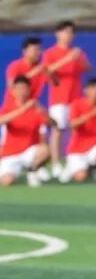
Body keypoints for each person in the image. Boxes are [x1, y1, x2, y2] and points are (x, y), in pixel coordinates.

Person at [42, 20, 92, 180]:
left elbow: (88, 68)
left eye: (71, 32)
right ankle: (56, 164)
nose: (69, 35)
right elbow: (48, 70)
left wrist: (79, 59)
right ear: (58, 34)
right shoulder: (50, 53)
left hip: (76, 98)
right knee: (57, 131)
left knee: (76, 130)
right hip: (59, 98)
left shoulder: (78, 52)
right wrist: (68, 58)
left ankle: (75, 163)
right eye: (65, 32)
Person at [0, 76, 52, 187]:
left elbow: (54, 124)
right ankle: (10, 172)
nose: (21, 91)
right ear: (13, 90)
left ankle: (32, 171)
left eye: (24, 88)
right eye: (18, 88)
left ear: (29, 90)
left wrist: (44, 112)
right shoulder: (7, 108)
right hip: (10, 154)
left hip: (29, 153)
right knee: (6, 182)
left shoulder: (36, 108)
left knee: (45, 150)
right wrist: (23, 109)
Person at [63, 78, 96, 183]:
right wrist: (90, 114)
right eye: (94, 88)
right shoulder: (77, 105)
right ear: (87, 90)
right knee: (81, 177)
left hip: (94, 148)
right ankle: (82, 168)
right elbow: (73, 125)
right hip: (77, 149)